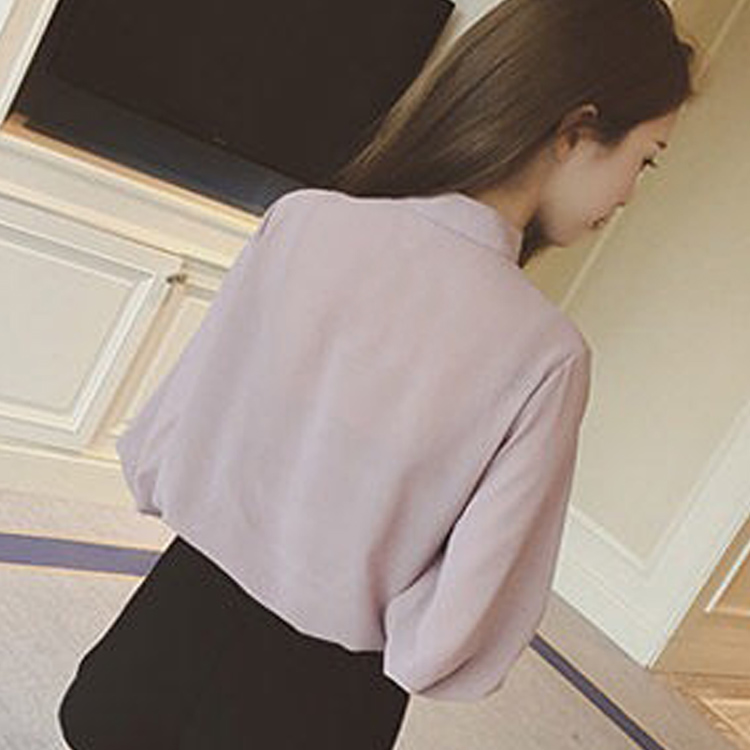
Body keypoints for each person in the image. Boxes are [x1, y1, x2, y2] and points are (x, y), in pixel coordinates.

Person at [58, 1, 696, 748]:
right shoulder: (547, 356)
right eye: (644, 159)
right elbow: (469, 613)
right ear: (576, 130)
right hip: (322, 699)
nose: (628, 195)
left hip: (162, 636)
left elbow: (172, 432)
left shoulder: (304, 221)